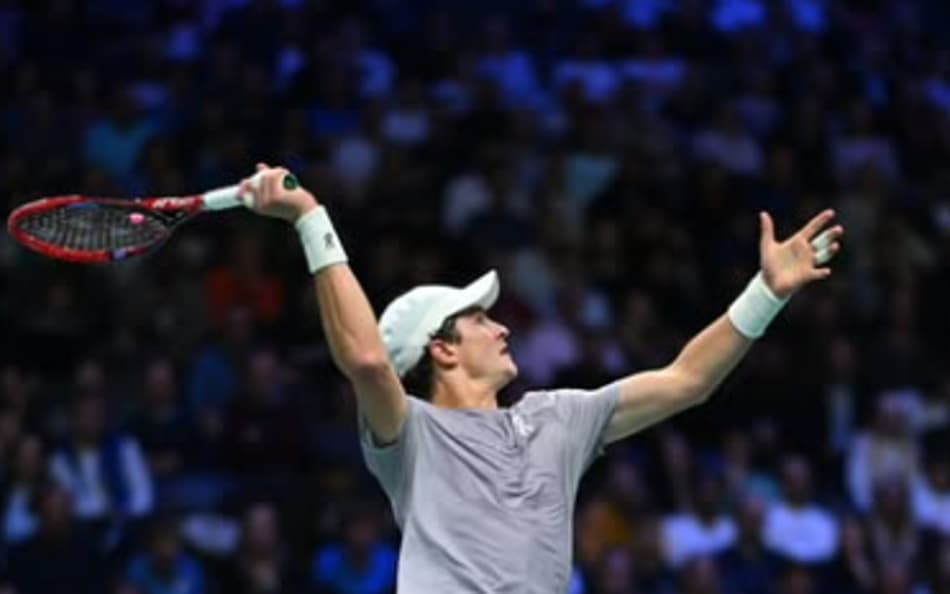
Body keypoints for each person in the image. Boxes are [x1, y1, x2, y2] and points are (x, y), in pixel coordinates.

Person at [239, 163, 844, 593]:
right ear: (442, 351)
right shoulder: (409, 436)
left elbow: (688, 379)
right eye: (479, 319)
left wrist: (766, 293)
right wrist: (308, 215)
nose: (502, 328)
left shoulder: (558, 417)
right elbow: (368, 360)